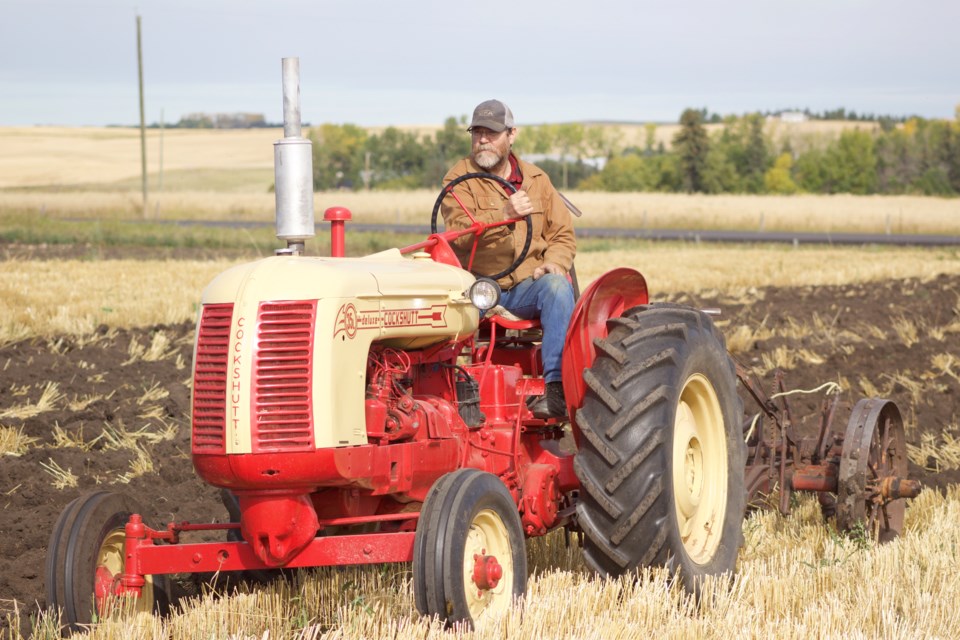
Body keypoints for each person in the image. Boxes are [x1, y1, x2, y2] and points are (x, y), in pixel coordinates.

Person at [441, 99, 576, 419]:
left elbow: (563, 235)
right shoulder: (459, 179)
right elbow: (456, 233)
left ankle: (556, 391)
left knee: (557, 287)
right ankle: (457, 391)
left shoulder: (537, 180)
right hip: (480, 288)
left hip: (527, 285)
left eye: (492, 132)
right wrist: (503, 214)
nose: (483, 140)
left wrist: (554, 262)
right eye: (477, 132)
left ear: (511, 134)